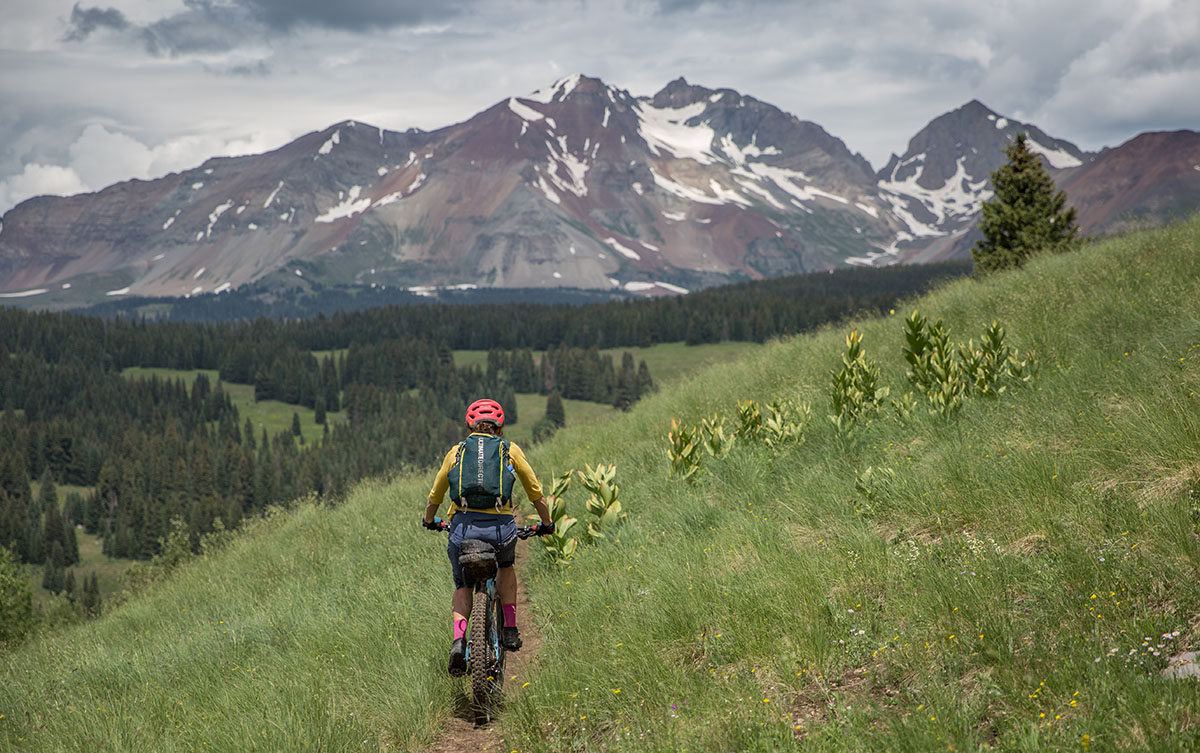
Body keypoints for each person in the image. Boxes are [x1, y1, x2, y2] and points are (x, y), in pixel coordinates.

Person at [423, 398, 554, 676]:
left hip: (462, 530)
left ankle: (459, 641)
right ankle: (509, 629)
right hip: (500, 530)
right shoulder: (510, 450)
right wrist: (547, 523)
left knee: (462, 584)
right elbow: (535, 491)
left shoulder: (456, 451)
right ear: (500, 425)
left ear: (469, 425)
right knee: (506, 567)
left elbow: (435, 494)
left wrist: (428, 519)